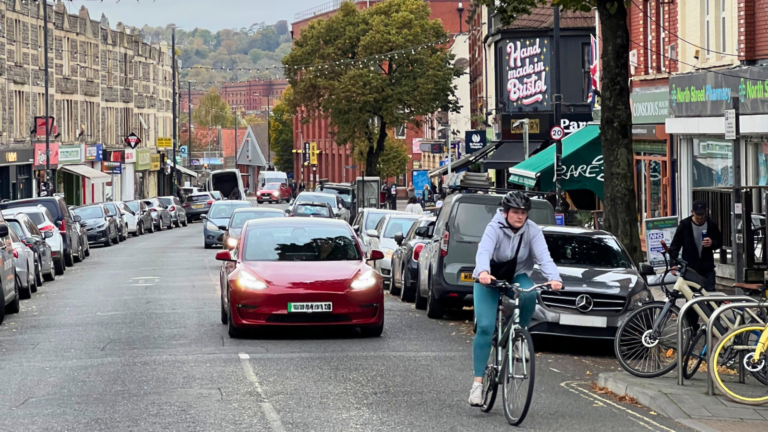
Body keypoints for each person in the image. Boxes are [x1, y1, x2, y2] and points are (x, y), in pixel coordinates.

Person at [468, 191, 562, 406]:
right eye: (516, 212)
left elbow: (544, 257)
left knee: (530, 292)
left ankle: (519, 335)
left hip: (516, 275)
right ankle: (477, 384)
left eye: (523, 213)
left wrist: (554, 278)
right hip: (488, 278)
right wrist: (482, 272)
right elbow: (483, 251)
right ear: (505, 212)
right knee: (484, 327)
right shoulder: (494, 227)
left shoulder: (532, 230)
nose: (520, 217)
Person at [668, 200, 722, 291]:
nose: (700, 217)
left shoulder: (711, 225)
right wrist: (673, 264)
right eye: (698, 215)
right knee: (692, 298)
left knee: (710, 297)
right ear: (692, 212)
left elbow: (720, 242)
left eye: (702, 214)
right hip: (690, 269)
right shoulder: (685, 225)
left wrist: (712, 243)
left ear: (706, 211)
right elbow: (675, 246)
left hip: (707, 268)